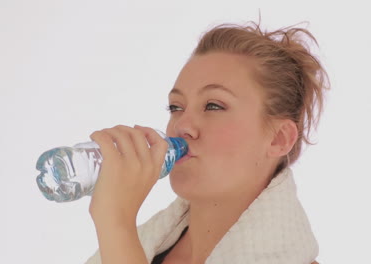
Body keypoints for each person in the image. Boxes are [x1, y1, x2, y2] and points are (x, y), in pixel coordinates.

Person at [85, 20, 329, 264]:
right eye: (176, 107)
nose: (182, 126)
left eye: (213, 106)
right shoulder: (142, 246)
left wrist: (116, 223)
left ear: (279, 138)